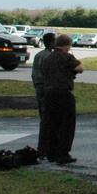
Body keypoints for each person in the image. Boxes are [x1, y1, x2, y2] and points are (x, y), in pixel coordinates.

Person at [40, 35, 83, 164]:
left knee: (51, 123)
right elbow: (79, 68)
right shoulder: (66, 56)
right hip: (63, 93)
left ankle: (50, 152)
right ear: (67, 45)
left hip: (48, 93)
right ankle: (62, 153)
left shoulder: (47, 58)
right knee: (66, 124)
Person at [30, 31, 56, 158]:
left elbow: (34, 74)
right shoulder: (49, 57)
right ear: (51, 42)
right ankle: (45, 149)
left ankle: (44, 148)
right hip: (46, 88)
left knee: (44, 118)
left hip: (39, 87)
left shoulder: (38, 55)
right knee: (48, 119)